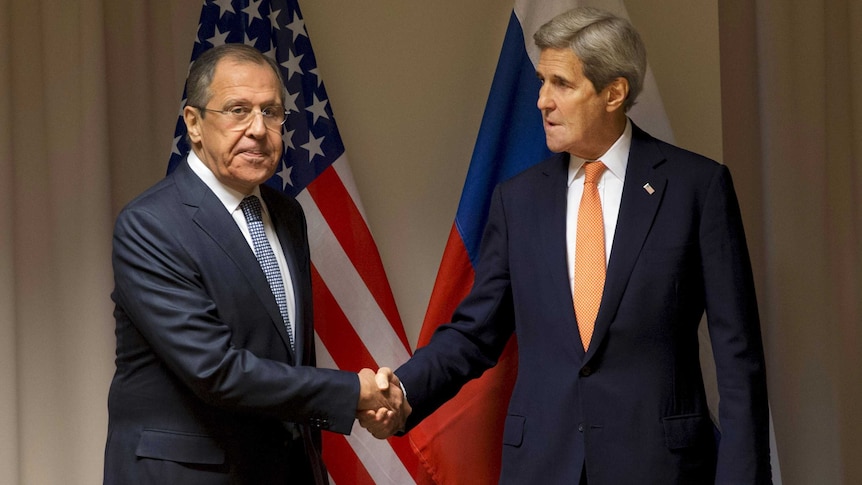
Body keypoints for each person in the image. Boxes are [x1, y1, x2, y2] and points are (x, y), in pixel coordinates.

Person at [361, 7, 771, 484]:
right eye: (541, 81)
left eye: (561, 83)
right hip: (542, 466)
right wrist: (404, 390)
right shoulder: (517, 200)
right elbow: (475, 333)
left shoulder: (696, 188)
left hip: (661, 467)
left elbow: (738, 356)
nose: (541, 101)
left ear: (613, 93)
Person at [104, 43, 403, 485]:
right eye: (238, 110)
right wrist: (353, 392)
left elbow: (286, 353)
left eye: (272, 112)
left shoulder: (286, 214)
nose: (259, 130)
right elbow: (215, 370)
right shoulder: (151, 225)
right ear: (194, 123)